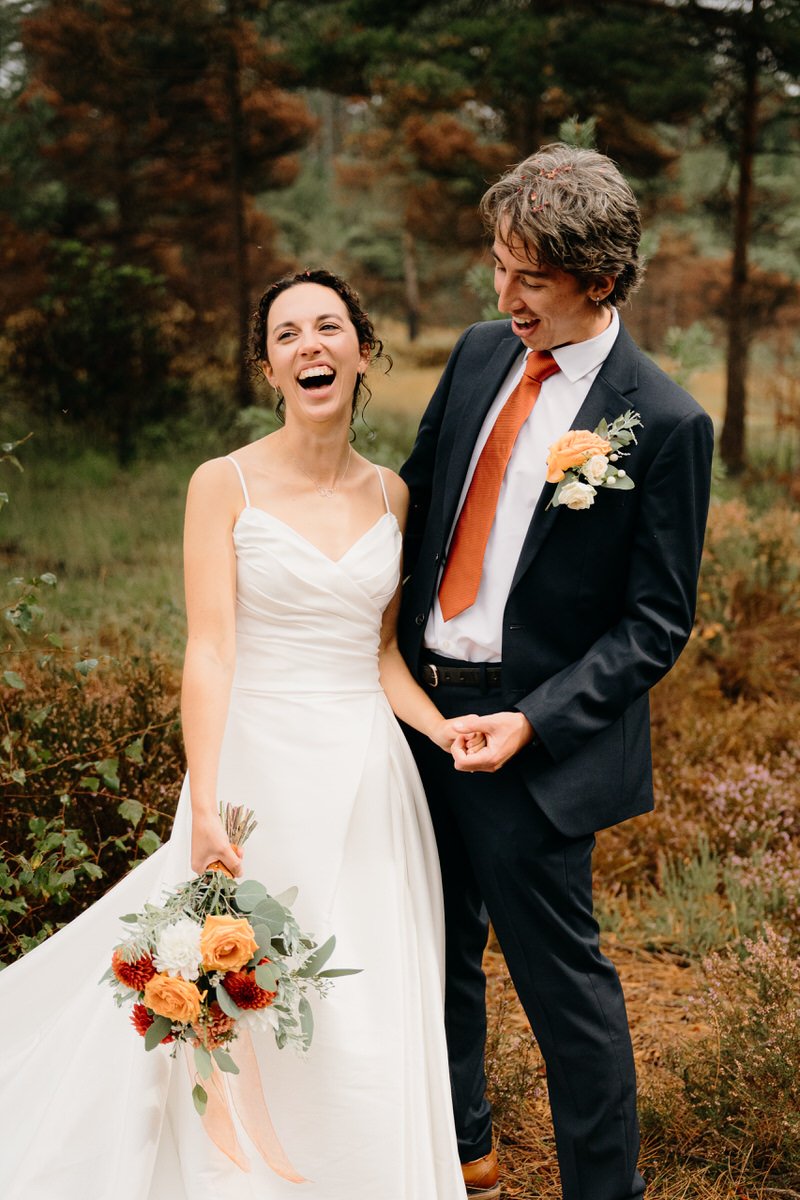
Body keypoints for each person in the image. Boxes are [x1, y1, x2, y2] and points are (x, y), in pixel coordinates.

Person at [0, 268, 480, 1200]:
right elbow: (211, 651)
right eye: (288, 333)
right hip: (255, 771)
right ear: (268, 368)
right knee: (244, 983)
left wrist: (443, 727)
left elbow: (380, 654)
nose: (311, 345)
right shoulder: (222, 484)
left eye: (329, 327)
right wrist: (206, 805)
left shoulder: (392, 497)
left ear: (362, 352)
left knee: (360, 988)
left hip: (369, 775)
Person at [399, 143, 714, 1200]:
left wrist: (533, 720)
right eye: (497, 264)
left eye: (530, 278)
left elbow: (654, 623)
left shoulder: (663, 421)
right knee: (428, 949)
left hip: (527, 740)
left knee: (561, 989)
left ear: (600, 280)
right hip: (410, 710)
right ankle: (461, 1149)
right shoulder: (479, 353)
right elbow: (414, 506)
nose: (504, 295)